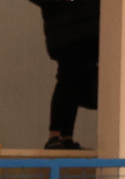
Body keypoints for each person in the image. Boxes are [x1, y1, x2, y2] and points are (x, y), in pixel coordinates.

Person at [29, 0, 98, 150]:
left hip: (83, 27)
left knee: (75, 79)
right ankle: (56, 135)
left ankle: (63, 136)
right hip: (68, 27)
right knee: (69, 78)